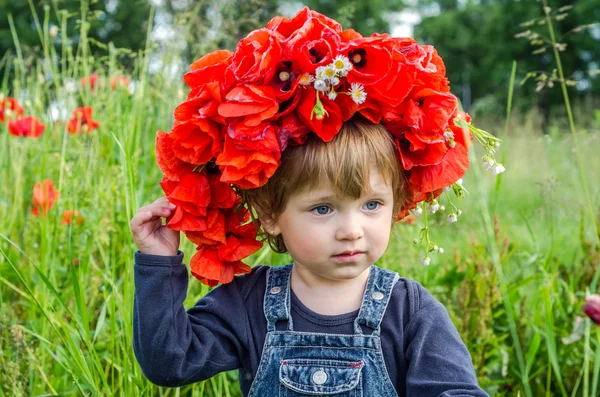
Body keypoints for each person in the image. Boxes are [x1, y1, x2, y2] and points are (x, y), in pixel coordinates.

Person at [130, 116, 489, 396]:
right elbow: (169, 362)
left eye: (372, 204)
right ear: (270, 214)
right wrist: (158, 264)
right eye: (322, 209)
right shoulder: (248, 302)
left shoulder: (410, 312)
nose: (352, 229)